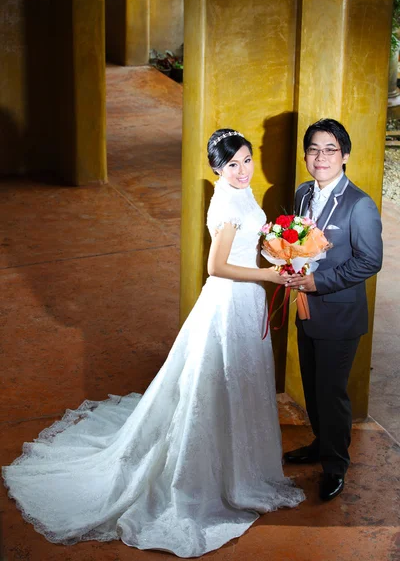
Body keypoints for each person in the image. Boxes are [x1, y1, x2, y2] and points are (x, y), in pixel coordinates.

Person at [3, 129, 304, 558]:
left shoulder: (242, 192)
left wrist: (281, 252)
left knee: (238, 381)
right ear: (216, 169)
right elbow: (216, 266)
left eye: (245, 160)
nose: (241, 170)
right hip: (230, 302)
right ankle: (211, 480)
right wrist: (269, 275)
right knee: (217, 384)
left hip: (246, 301)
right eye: (231, 164)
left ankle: (242, 469)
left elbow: (247, 245)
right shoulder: (227, 202)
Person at [284, 118, 383, 502]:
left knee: (331, 393)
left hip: (340, 316)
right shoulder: (302, 194)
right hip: (306, 310)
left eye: (330, 149)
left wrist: (318, 282)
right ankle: (320, 443)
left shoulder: (359, 204)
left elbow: (369, 261)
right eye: (313, 149)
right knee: (312, 386)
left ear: (344, 155)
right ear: (306, 155)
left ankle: (335, 465)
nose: (320, 157)